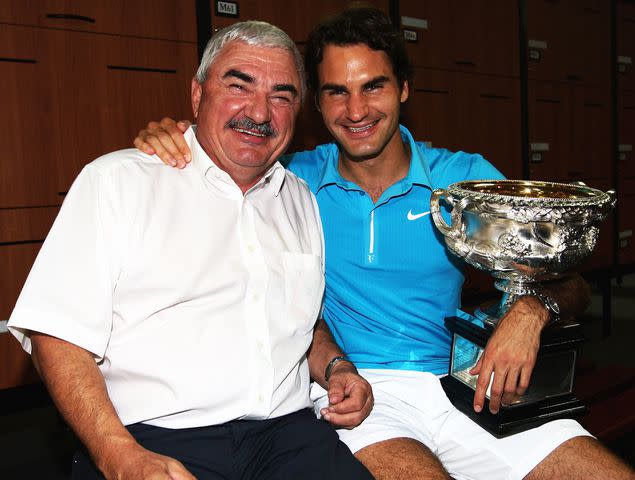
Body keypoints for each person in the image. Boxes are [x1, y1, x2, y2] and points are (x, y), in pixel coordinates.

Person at [133, 7, 635, 480]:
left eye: (373, 86)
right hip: (360, 395)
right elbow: (220, 155)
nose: (356, 110)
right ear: (316, 102)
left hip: (466, 385)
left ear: (404, 88)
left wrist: (530, 311)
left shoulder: (463, 182)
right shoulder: (290, 182)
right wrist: (173, 133)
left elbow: (569, 282)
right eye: (335, 92)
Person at [7, 21, 375, 480]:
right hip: (153, 437)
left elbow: (302, 318)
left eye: (281, 96)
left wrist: (336, 367)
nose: (260, 113)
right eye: (239, 86)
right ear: (198, 95)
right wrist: (118, 454)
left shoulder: (301, 199)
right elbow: (55, 336)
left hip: (288, 436)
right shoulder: (118, 182)